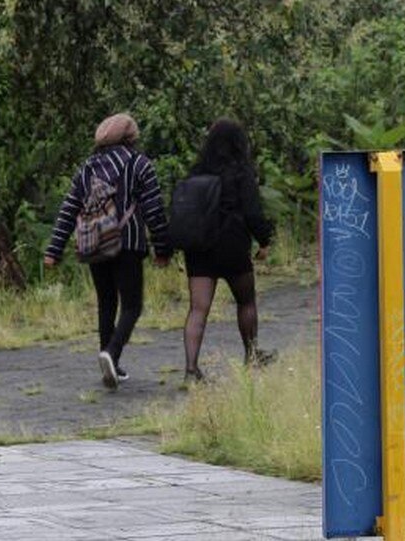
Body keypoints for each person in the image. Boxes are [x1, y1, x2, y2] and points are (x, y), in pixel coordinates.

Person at [44, 112, 171, 390]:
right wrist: (163, 248)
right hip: (127, 242)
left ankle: (109, 364)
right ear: (131, 137)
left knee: (106, 302)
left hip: (94, 242)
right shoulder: (139, 164)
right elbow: (153, 209)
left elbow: (69, 209)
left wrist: (54, 250)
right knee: (132, 305)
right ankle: (111, 354)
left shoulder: (87, 168)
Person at [183, 117, 275, 383]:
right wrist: (264, 240)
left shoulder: (196, 172)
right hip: (232, 244)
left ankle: (191, 369)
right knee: (246, 300)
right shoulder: (241, 172)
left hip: (199, 248)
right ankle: (251, 354)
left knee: (197, 309)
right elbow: (252, 211)